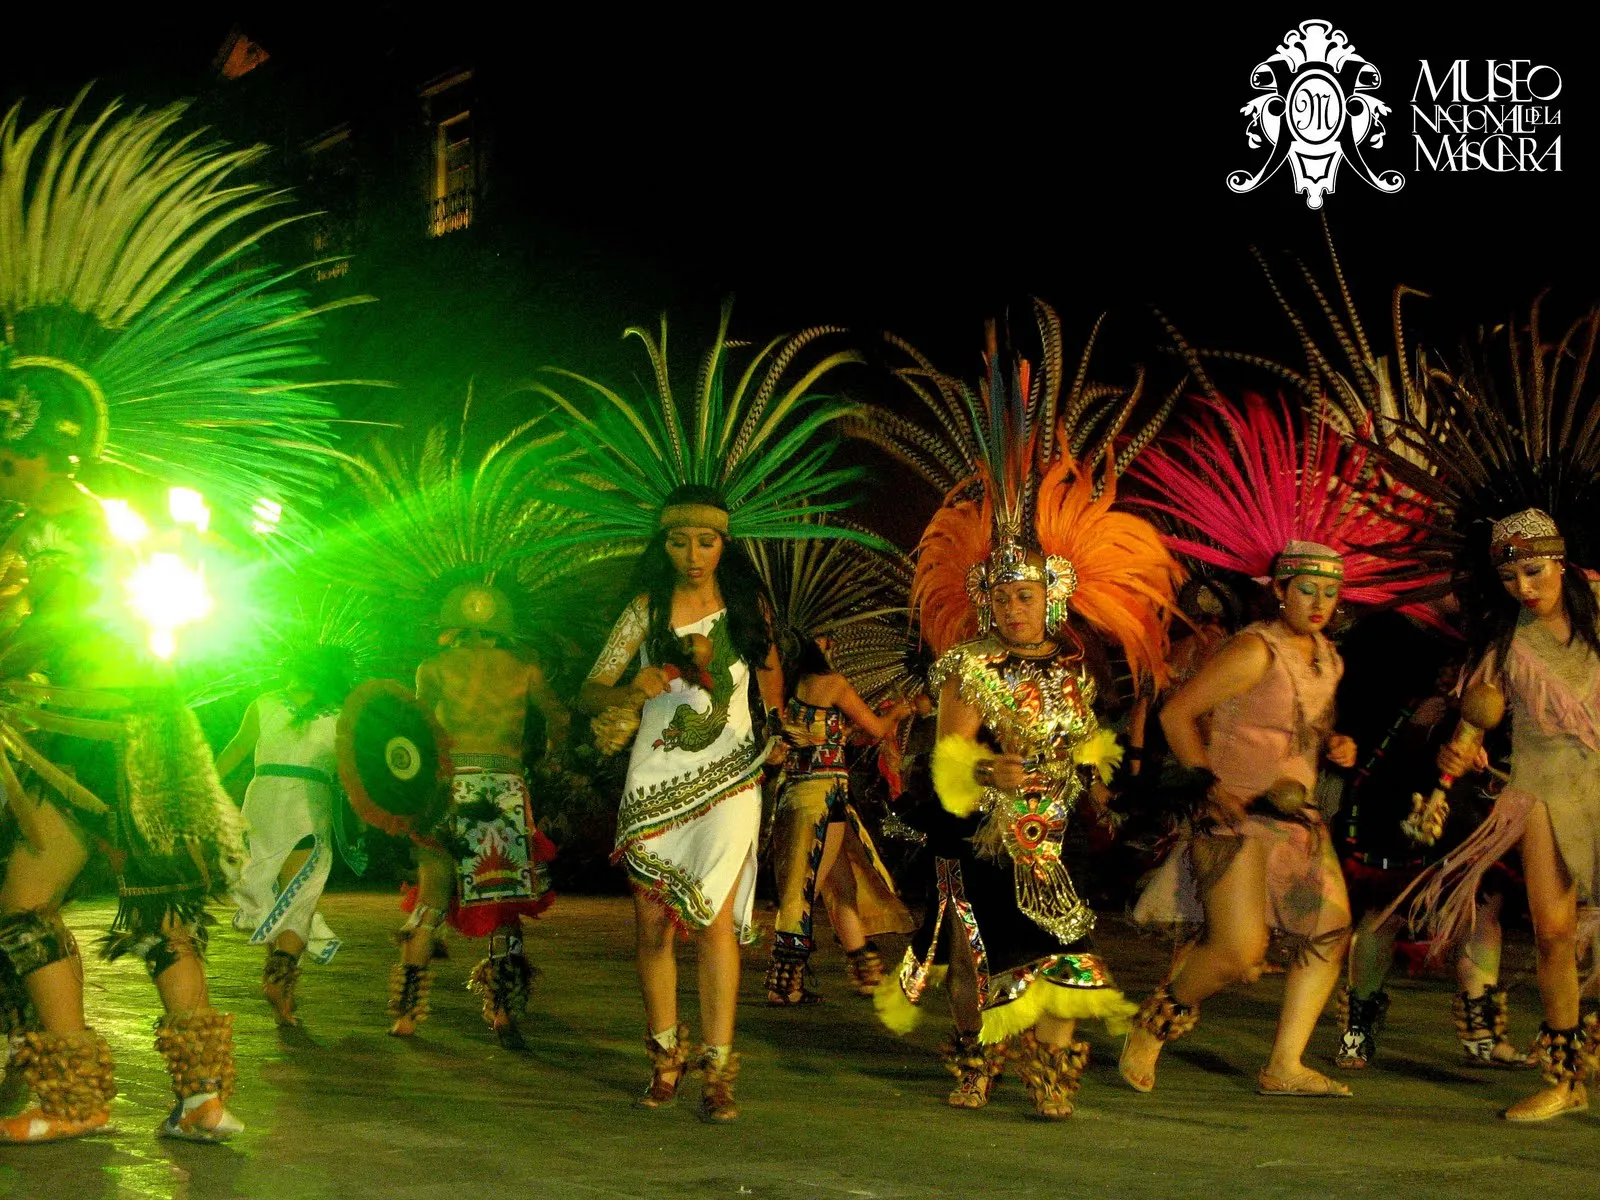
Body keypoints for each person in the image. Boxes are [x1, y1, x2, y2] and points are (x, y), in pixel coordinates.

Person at [0, 96, 351, 1145]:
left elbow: (92, 629)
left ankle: (89, 1096)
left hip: (98, 736)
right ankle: (184, 1100)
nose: (6, 464)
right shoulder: (91, 522)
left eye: (13, 449)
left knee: (36, 911)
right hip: (124, 735)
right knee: (145, 917)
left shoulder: (77, 531)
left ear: (50, 447)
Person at [873, 315, 1179, 1121]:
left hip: (1056, 834)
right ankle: (976, 1058)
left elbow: (1085, 739)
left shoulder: (1074, 665)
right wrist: (988, 768)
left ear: (1053, 599)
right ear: (987, 602)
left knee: (1066, 955)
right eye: (1004, 596)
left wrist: (1098, 776)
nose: (1015, 607)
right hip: (984, 832)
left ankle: (1052, 1073)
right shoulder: (967, 667)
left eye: (1027, 595)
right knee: (980, 957)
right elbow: (946, 755)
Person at [1124, 542, 1359, 1097]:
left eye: (1330, 593)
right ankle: (1152, 1024)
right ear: (1278, 591)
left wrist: (1336, 744)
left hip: (1295, 820)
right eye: (1306, 590)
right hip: (1235, 817)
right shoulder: (1255, 650)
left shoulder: (1327, 657)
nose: (1318, 603)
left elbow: (1302, 726)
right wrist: (1208, 784)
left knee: (1329, 932)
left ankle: (1285, 1064)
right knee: (1238, 953)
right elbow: (1176, 714)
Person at [581, 486, 785, 1122]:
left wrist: (780, 728)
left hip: (730, 777)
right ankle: (665, 1058)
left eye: (705, 542)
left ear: (724, 545)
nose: (693, 555)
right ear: (662, 545)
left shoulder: (748, 608)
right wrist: (629, 688)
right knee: (652, 924)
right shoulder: (645, 611)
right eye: (679, 542)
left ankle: (719, 1071)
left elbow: (771, 676)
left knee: (714, 920)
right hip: (656, 780)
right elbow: (589, 690)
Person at [1414, 510, 1600, 1119]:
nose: (1524, 587)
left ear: (1561, 561)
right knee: (1553, 934)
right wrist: (1456, 754)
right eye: (1511, 577)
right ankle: (1566, 1080)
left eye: (1534, 571)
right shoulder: (1504, 641)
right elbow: (1479, 713)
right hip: (1541, 786)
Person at [383, 583, 567, 1050]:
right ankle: (503, 1010)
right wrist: (550, 757)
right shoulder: (525, 669)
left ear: (452, 625)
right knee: (503, 907)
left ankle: (405, 1014)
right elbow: (559, 719)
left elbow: (416, 729)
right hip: (503, 787)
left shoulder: (433, 667)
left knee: (430, 900)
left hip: (450, 787)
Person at [217, 644, 360, 1027]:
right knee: (301, 893)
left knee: (269, 891)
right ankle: (280, 975)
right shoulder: (341, 714)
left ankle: (278, 979)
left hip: (262, 802)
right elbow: (351, 768)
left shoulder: (264, 702)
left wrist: (206, 786)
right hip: (307, 805)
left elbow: (236, 749)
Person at [766, 634, 913, 1005]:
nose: (832, 646)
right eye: (827, 640)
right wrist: (900, 711)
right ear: (816, 645)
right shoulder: (833, 684)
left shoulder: (789, 686)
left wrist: (846, 731)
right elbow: (877, 729)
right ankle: (784, 982)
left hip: (796, 794)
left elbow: (820, 735)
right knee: (805, 888)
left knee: (842, 885)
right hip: (824, 797)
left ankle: (866, 974)